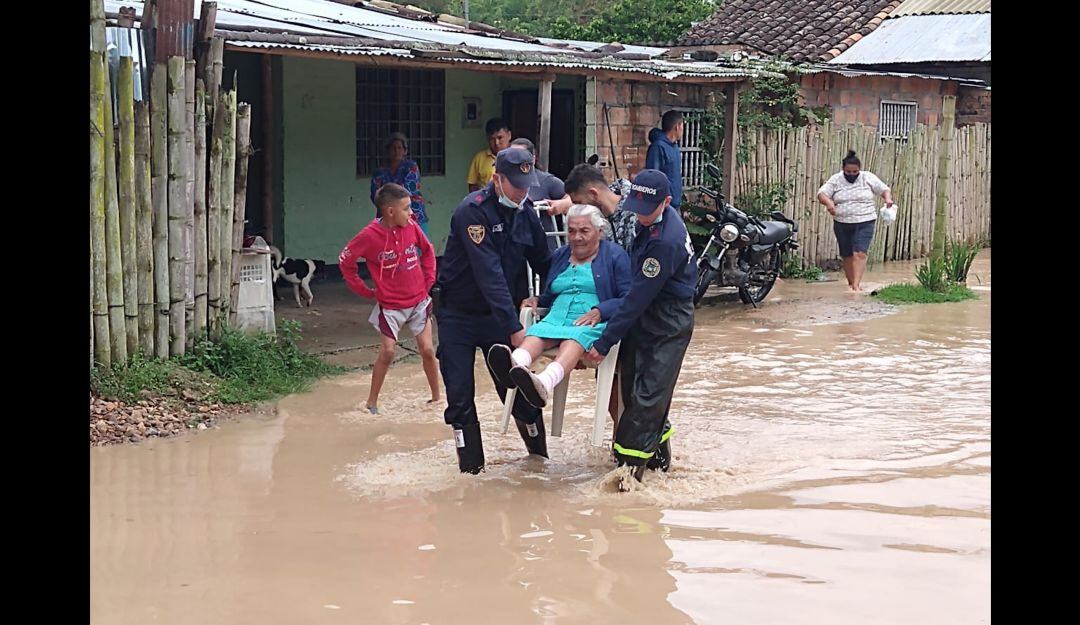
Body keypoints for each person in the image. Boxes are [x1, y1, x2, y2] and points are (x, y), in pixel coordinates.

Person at [437, 148, 552, 474]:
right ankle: (472, 477)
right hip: (459, 316)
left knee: (517, 390)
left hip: (497, 317)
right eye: (516, 185)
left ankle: (539, 464)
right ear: (496, 179)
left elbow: (545, 262)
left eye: (526, 185)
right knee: (460, 398)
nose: (522, 192)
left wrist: (554, 300)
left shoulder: (526, 212)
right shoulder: (471, 213)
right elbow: (490, 275)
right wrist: (516, 330)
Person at [583, 170, 697, 488]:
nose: (640, 215)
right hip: (649, 312)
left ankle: (627, 479)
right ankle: (659, 465)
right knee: (634, 391)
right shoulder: (652, 222)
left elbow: (635, 298)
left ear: (667, 202)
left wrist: (604, 342)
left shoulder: (664, 242)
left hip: (668, 320)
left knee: (648, 397)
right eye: (637, 207)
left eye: (647, 209)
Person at [485, 204, 631, 408]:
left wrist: (601, 311)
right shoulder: (561, 255)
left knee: (575, 337)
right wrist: (537, 299)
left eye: (584, 231)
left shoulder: (615, 255)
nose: (577, 237)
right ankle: (513, 366)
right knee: (537, 332)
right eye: (571, 231)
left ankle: (544, 383)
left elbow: (628, 298)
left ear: (599, 232)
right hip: (557, 315)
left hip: (591, 320)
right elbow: (551, 293)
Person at [339, 183, 440, 415]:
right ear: (390, 211)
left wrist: (428, 281)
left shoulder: (412, 227)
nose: (411, 213)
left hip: (419, 301)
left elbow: (428, 250)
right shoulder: (368, 236)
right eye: (406, 208)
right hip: (390, 306)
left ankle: (437, 399)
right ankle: (371, 403)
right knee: (388, 352)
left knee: (427, 350)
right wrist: (365, 291)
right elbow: (345, 261)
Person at [816, 150, 895, 292]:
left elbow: (884, 189)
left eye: (855, 172)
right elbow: (822, 194)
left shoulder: (867, 177)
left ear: (859, 170)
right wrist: (829, 203)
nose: (851, 175)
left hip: (865, 221)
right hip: (842, 222)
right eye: (848, 172)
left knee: (860, 253)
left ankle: (856, 286)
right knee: (846, 254)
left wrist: (888, 199)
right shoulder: (836, 179)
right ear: (843, 169)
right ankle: (851, 283)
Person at [509, 138, 573, 252]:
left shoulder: (547, 181)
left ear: (533, 159)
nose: (516, 161)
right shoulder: (503, 181)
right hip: (513, 249)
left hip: (545, 248)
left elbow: (574, 199)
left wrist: (561, 205)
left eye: (520, 156)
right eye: (512, 156)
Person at [564, 163, 639, 253]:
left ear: (593, 194)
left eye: (579, 203)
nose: (578, 209)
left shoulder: (638, 212)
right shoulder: (594, 219)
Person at [370, 132, 429, 238]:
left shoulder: (411, 167)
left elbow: (407, 192)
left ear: (405, 151)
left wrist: (387, 196)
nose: (396, 151)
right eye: (393, 148)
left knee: (416, 246)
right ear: (387, 150)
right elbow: (376, 195)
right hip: (388, 217)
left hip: (413, 214)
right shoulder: (379, 172)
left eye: (399, 148)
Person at [645, 110, 685, 210]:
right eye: (682, 126)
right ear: (677, 126)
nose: (683, 130)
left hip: (675, 203)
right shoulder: (658, 147)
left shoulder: (674, 146)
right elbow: (653, 177)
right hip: (664, 206)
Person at [466, 118, 512, 192]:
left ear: (509, 135)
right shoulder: (479, 158)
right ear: (487, 139)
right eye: (492, 139)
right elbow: (472, 185)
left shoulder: (517, 156)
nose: (496, 143)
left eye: (500, 138)